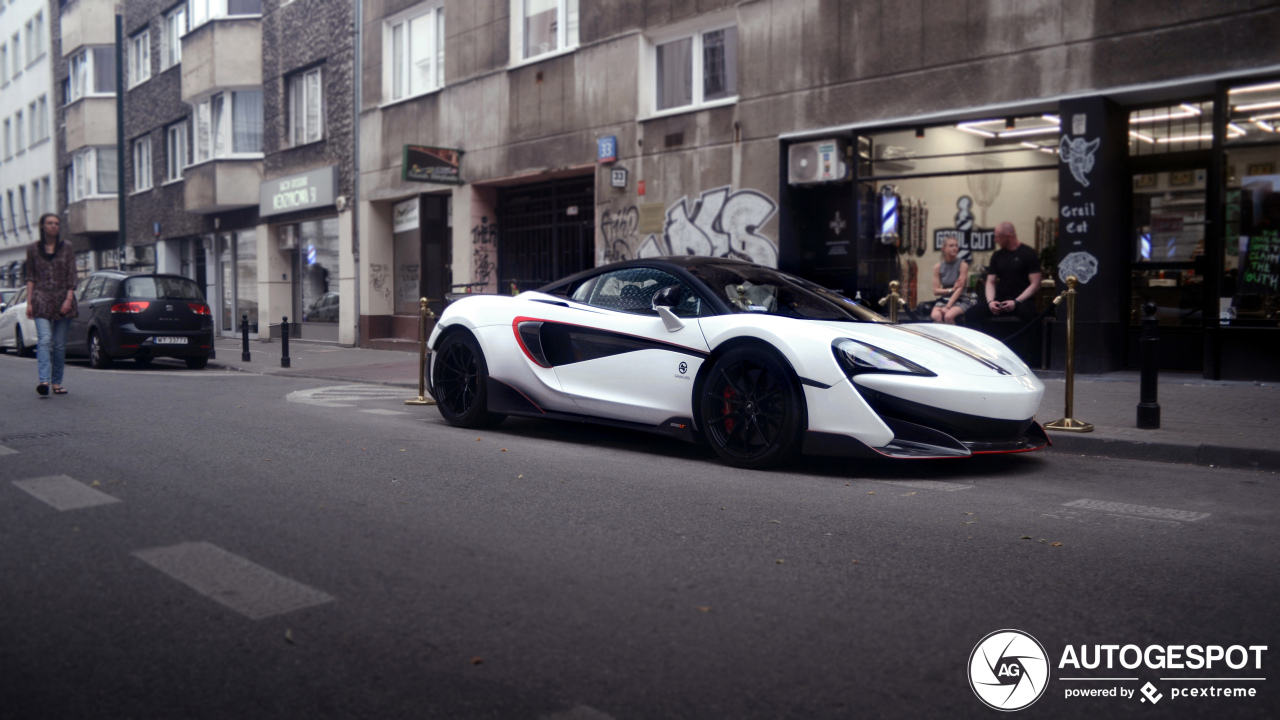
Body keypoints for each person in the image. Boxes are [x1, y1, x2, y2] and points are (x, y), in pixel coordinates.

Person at [25, 213, 78, 396]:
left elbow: (72, 274)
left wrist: (69, 299)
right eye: (49, 223)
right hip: (41, 299)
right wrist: (29, 302)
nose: (53, 226)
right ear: (42, 225)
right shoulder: (32, 249)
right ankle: (44, 382)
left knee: (59, 344)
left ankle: (57, 382)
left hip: (63, 298)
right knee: (45, 340)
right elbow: (31, 276)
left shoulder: (67, 248)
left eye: (56, 223)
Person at [964, 222, 1042, 333]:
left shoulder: (1028, 253)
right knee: (971, 314)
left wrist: (1016, 302)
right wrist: (991, 302)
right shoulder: (997, 255)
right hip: (1000, 300)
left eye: (997, 237)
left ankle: (1024, 349)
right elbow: (990, 282)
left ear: (1008, 236)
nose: (995, 240)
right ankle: (979, 348)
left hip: (1022, 301)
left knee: (1028, 317)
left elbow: (1035, 284)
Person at [930, 236, 972, 324]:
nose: (955, 248)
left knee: (948, 316)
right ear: (944, 248)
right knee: (935, 316)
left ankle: (953, 337)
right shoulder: (938, 267)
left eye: (956, 245)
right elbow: (936, 291)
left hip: (961, 299)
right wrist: (951, 290)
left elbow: (960, 289)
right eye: (951, 245)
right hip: (945, 298)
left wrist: (948, 306)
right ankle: (940, 337)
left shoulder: (962, 265)